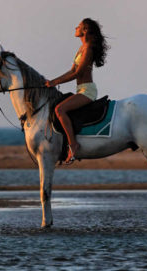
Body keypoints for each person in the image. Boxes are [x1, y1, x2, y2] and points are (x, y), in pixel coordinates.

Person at [45, 18, 109, 164]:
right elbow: (72, 70)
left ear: (85, 30)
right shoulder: (81, 48)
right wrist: (52, 81)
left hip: (87, 91)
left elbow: (77, 73)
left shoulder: (88, 49)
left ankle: (73, 144)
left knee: (60, 110)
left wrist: (54, 82)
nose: (75, 28)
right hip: (80, 89)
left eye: (79, 26)